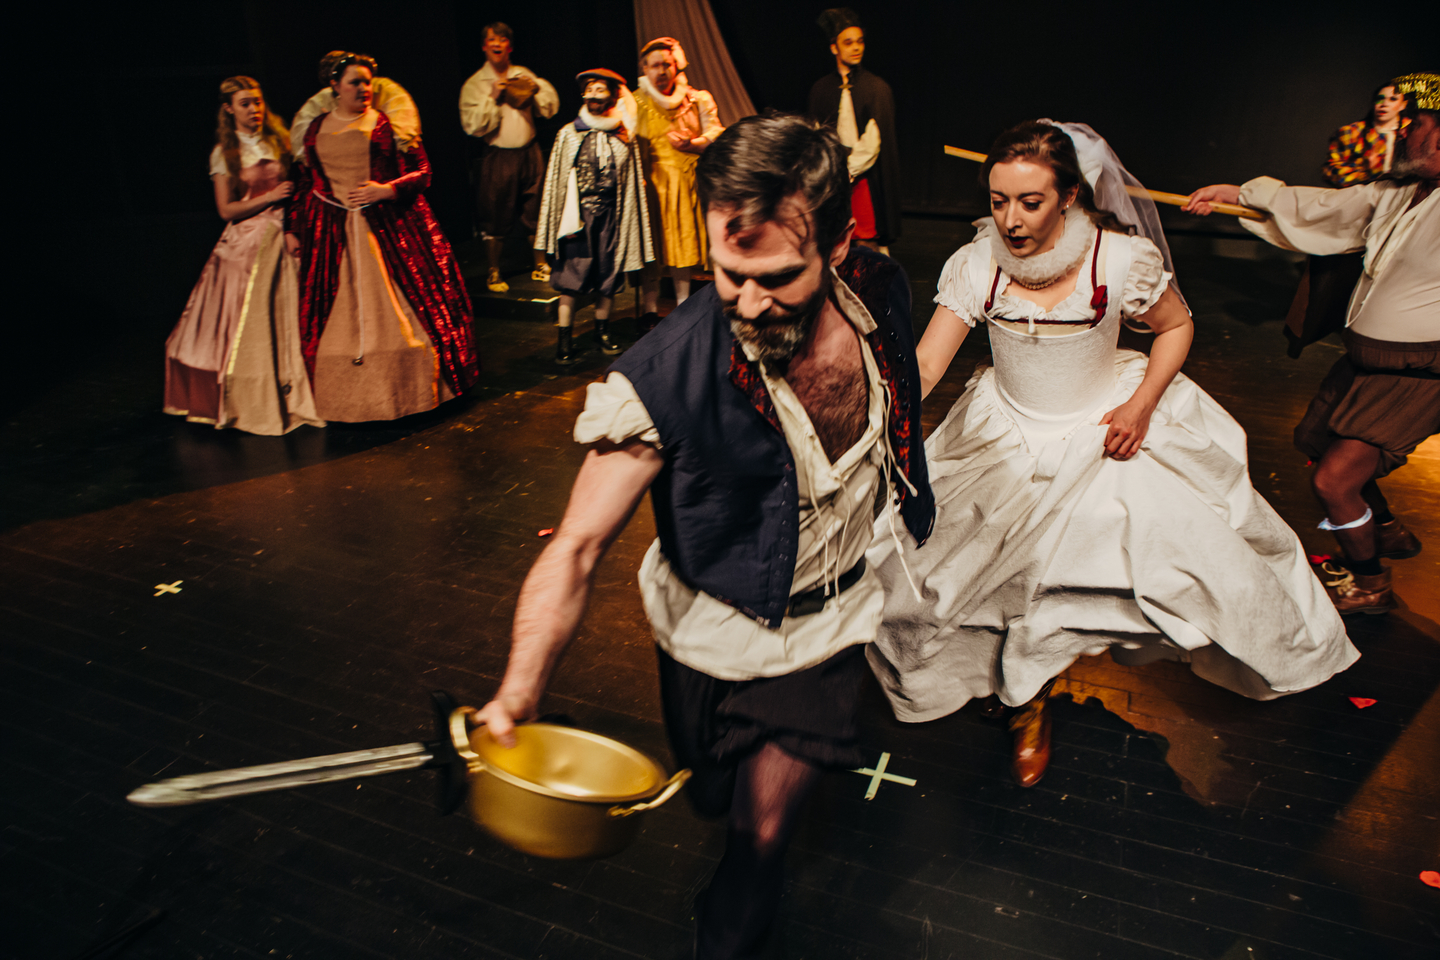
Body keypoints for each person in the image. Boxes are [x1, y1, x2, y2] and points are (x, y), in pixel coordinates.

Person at [472, 114, 933, 959]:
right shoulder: (661, 377)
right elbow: (576, 546)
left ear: (840, 245)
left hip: (829, 628)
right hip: (710, 628)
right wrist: (519, 689)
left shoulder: (880, 288)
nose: (750, 304)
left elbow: (903, 383)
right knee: (712, 791)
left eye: (779, 277)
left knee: (761, 836)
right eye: (730, 274)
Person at [867, 120, 1357, 789]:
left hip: (1101, 429)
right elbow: (927, 363)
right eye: (999, 201)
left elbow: (1176, 326)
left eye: (1030, 202)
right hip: (1004, 433)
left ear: (1069, 195)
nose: (1010, 219)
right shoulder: (975, 265)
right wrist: (875, 416)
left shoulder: (1121, 260)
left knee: (1107, 570)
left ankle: (1029, 693)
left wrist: (1142, 404)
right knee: (966, 576)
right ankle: (1021, 691)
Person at [1185, 72, 1439, 616]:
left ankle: (1371, 583)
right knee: (1315, 442)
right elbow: (1327, 208)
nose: (1403, 133)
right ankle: (1385, 529)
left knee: (1334, 482)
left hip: (1417, 373)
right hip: (1366, 361)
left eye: (1415, 124)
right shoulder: (1396, 193)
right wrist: (1240, 194)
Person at [285, 52, 481, 421]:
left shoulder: (388, 124)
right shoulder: (314, 129)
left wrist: (387, 189)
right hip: (331, 232)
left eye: (367, 82)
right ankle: (343, 400)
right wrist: (292, 227)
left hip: (389, 225)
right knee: (331, 323)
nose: (364, 88)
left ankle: (410, 394)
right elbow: (305, 182)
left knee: (410, 315)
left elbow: (423, 172)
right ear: (335, 86)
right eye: (355, 82)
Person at [164, 76, 323, 435]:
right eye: (245, 104)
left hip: (286, 233)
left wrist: (293, 224)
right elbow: (226, 210)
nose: (254, 109)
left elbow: (300, 188)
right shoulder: (225, 152)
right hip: (247, 239)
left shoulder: (278, 139)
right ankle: (254, 399)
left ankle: (302, 389)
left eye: (257, 101)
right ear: (229, 109)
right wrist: (269, 198)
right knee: (248, 324)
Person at [1285, 80, 1411, 357]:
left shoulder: (1410, 135)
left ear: (1403, 104)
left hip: (1392, 219)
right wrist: (1374, 181)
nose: (1384, 105)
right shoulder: (1352, 133)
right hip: (1354, 213)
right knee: (1331, 278)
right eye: (1380, 98)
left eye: (1392, 99)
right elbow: (1333, 169)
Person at [535, 69, 653, 365]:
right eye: (590, 90)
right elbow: (556, 181)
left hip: (611, 217)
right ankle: (564, 338)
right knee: (571, 275)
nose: (594, 95)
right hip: (577, 218)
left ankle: (602, 331)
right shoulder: (569, 133)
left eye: (600, 90)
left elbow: (630, 180)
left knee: (608, 274)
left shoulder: (622, 135)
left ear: (612, 95)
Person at [632, 37, 725, 332]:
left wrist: (693, 144)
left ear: (677, 66)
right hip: (650, 186)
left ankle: (684, 309)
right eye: (655, 66)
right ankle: (649, 310)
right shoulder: (634, 103)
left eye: (667, 65)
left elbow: (716, 131)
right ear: (644, 68)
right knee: (652, 250)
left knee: (682, 248)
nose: (662, 71)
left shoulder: (696, 99)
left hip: (685, 184)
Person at [459, 22, 559, 292]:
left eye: (502, 39)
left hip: (530, 153)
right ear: (484, 46)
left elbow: (549, 107)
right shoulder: (475, 84)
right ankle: (494, 271)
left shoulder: (522, 74)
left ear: (509, 46)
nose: (497, 43)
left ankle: (540, 264)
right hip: (499, 157)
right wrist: (492, 97)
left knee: (536, 208)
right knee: (495, 211)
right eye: (492, 39)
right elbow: (472, 126)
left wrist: (534, 89)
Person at [807, 8, 901, 253]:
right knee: (833, 239)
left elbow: (873, 141)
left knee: (865, 237)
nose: (856, 48)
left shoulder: (876, 88)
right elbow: (816, 135)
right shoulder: (821, 89)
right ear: (834, 47)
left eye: (860, 42)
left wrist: (848, 170)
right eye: (848, 43)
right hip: (832, 175)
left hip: (861, 176)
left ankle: (870, 279)